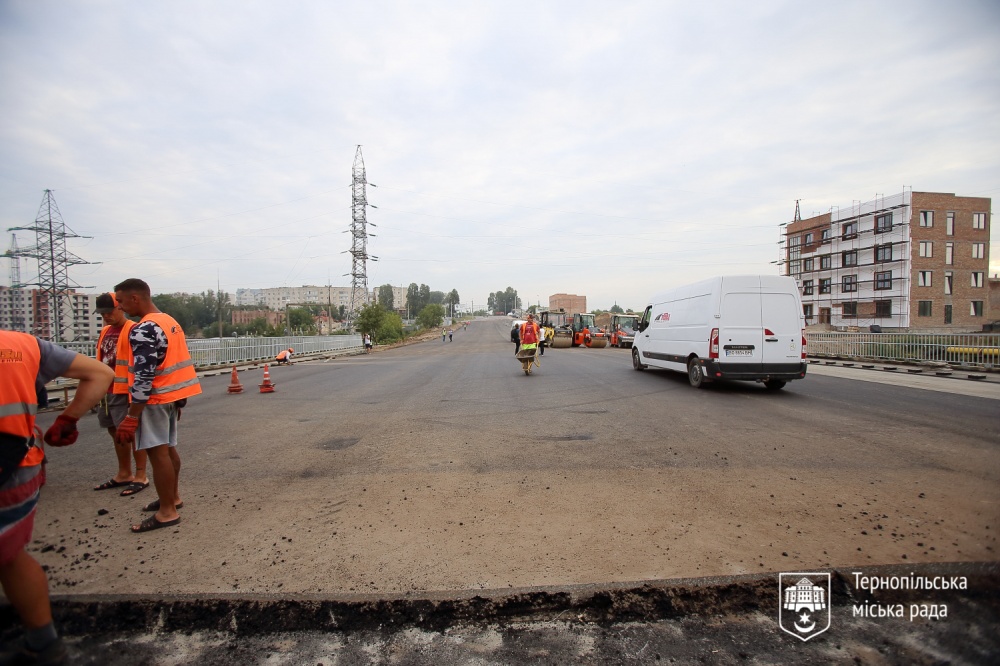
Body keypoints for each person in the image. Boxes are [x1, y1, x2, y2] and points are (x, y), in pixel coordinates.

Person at [0, 330, 114, 665]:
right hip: (18, 465)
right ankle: (44, 642)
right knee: (10, 555)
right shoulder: (23, 344)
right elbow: (101, 373)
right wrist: (67, 419)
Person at [114, 278, 202, 534]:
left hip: (153, 400)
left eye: (120, 301)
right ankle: (171, 497)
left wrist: (132, 414)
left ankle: (167, 512)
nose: (119, 306)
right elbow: (177, 359)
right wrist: (179, 399)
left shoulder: (144, 328)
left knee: (157, 452)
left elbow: (144, 374)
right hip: (171, 396)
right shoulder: (169, 321)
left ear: (135, 299)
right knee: (169, 449)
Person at [93, 292, 149, 497]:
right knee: (115, 433)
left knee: (131, 434)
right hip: (105, 390)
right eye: (102, 314)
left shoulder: (133, 329)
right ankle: (124, 473)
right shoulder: (105, 331)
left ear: (120, 308)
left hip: (125, 391)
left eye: (109, 312)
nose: (106, 317)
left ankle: (140, 475)